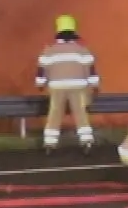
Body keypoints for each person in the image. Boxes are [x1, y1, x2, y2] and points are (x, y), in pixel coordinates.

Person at [36, 14, 99, 153]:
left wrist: (40, 84)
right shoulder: (82, 50)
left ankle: (50, 143)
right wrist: (94, 85)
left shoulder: (49, 50)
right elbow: (91, 69)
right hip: (78, 87)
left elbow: (41, 70)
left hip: (57, 87)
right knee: (80, 113)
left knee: (54, 113)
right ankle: (86, 141)